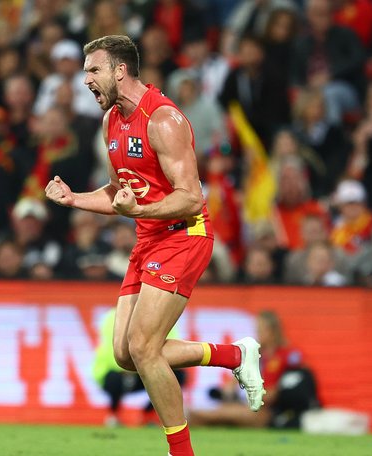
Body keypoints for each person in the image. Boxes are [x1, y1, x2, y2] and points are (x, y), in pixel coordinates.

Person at [45, 35, 264, 456]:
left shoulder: (164, 119)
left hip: (184, 234)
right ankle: (233, 355)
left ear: (119, 70)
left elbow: (190, 197)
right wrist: (74, 199)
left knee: (145, 347)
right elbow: (117, 192)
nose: (85, 79)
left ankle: (181, 452)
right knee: (126, 353)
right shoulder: (112, 121)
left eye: (93, 70)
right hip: (149, 238)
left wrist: (137, 212)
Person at [188, 310, 316, 429]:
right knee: (222, 413)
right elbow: (233, 381)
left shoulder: (289, 355)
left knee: (218, 415)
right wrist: (229, 390)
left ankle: (191, 418)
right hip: (253, 405)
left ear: (272, 331)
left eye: (260, 330)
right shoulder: (258, 356)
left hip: (272, 411)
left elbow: (287, 389)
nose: (257, 334)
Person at [93, 308, 187, 427]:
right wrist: (128, 366)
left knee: (178, 376)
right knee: (115, 379)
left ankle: (149, 416)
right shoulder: (115, 316)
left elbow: (171, 349)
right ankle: (114, 416)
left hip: (146, 367)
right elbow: (112, 350)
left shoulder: (164, 317)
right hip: (118, 371)